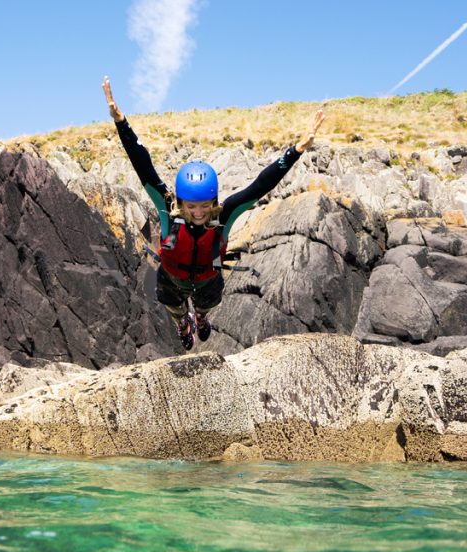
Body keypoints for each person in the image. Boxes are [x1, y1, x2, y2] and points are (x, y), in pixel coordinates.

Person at [102, 76, 325, 350]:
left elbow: (260, 185)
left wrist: (297, 150)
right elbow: (143, 166)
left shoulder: (225, 214)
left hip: (208, 280)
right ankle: (183, 324)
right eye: (192, 206)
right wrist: (121, 121)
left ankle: (201, 316)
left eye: (205, 205)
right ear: (181, 203)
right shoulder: (167, 210)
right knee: (174, 309)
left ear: (214, 201)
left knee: (206, 305)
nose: (198, 212)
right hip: (172, 279)